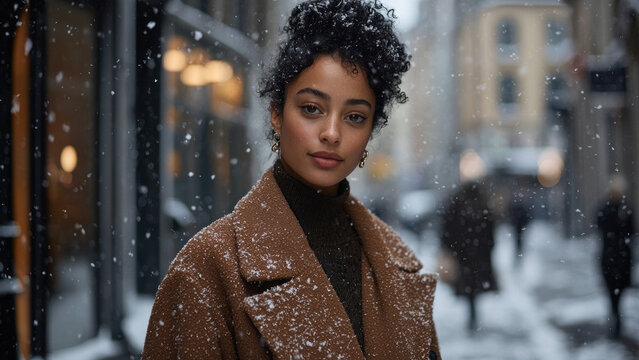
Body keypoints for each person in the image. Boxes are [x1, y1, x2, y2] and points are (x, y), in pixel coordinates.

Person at [142, 1, 441, 359]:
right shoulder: (207, 269)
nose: (331, 133)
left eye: (355, 117)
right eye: (312, 108)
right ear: (277, 115)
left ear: (370, 133)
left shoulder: (396, 263)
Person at [441, 181, 497, 333]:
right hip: (477, 254)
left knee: (468, 285)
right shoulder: (481, 205)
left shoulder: (456, 205)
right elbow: (490, 231)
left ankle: (471, 312)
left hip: (463, 254)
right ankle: (473, 312)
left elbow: (447, 230)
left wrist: (449, 247)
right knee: (473, 285)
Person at [595, 175, 636, 338]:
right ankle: (616, 318)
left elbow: (631, 231)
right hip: (615, 257)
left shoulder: (620, 209)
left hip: (617, 258)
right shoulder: (615, 209)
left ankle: (615, 317)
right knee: (614, 292)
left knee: (615, 292)